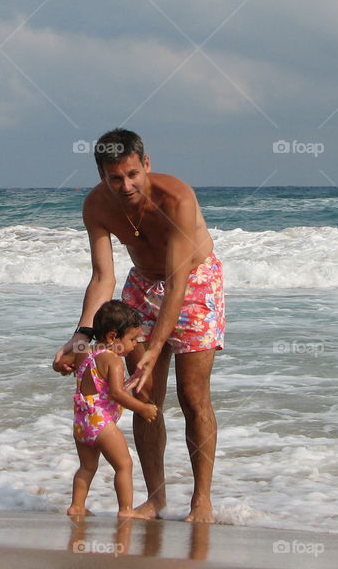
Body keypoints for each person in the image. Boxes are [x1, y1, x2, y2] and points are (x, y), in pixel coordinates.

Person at [53, 128, 224, 523]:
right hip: (142, 285)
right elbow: (102, 278)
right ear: (102, 176)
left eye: (133, 174)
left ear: (146, 164)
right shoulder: (96, 205)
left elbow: (177, 284)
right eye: (115, 178)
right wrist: (81, 336)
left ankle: (201, 501)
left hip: (194, 283)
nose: (126, 185)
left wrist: (155, 347)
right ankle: (155, 499)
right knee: (145, 396)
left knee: (193, 395)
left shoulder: (176, 198)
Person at [64, 300, 158, 518]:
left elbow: (63, 361)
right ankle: (126, 510)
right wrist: (143, 408)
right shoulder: (114, 361)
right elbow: (116, 393)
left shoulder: (84, 350)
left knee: (87, 467)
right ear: (112, 337)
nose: (134, 345)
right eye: (132, 339)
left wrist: (60, 364)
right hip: (101, 424)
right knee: (124, 465)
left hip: (81, 423)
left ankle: (76, 506)